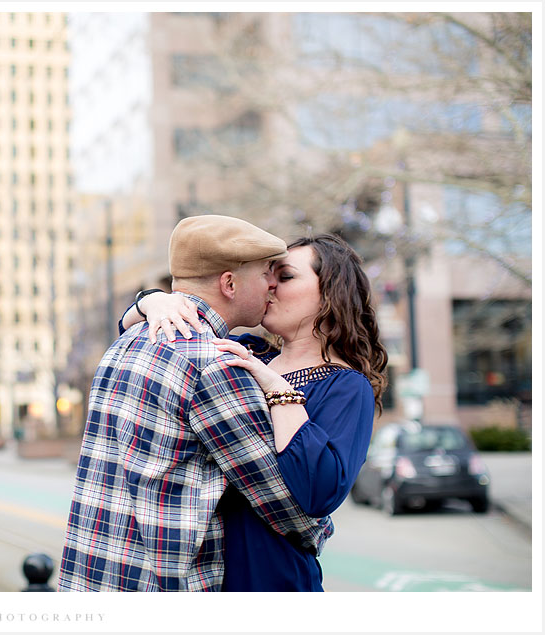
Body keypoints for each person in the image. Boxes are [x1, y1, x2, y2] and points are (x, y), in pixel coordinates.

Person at [58, 215, 332, 592]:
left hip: (94, 580)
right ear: (230, 283)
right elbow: (280, 500)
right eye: (266, 273)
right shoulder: (213, 363)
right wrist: (320, 529)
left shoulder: (125, 343)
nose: (272, 284)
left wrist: (147, 302)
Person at [125, 232, 388, 591]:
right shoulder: (246, 351)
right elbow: (144, 339)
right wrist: (152, 303)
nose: (270, 287)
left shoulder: (345, 387)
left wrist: (279, 391)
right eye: (268, 276)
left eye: (286, 277)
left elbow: (319, 493)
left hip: (271, 576)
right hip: (202, 574)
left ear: (330, 293)